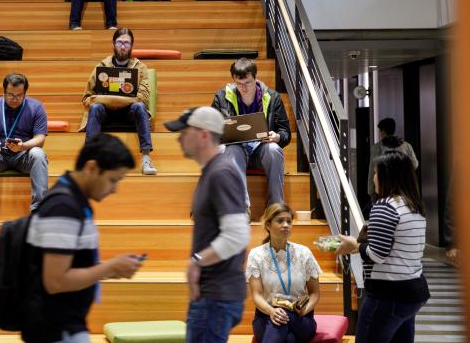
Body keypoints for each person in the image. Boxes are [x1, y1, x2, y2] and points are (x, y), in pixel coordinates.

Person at [23, 133, 143, 343]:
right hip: (55, 329)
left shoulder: (75, 201)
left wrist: (109, 270)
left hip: (65, 325)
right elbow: (56, 281)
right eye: (113, 180)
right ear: (91, 168)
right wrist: (110, 268)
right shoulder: (63, 207)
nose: (115, 189)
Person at [165, 107, 250, 343]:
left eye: (184, 132)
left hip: (214, 298)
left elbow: (238, 235)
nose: (179, 137)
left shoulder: (221, 173)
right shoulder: (214, 171)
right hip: (215, 294)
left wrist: (197, 262)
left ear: (203, 135)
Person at [336, 151, 429, 343]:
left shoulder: (384, 207)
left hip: (388, 295)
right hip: (412, 290)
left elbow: (377, 255)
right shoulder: (414, 206)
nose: (374, 178)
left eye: (377, 173)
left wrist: (355, 245)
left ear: (389, 176)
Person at [0, 73, 49, 224]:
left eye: (19, 96)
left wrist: (23, 146)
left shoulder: (36, 107)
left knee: (38, 153)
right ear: (4, 91)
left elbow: (40, 139)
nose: (14, 99)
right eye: (10, 95)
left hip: (23, 156)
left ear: (25, 93)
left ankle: (39, 209)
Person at [212, 57, 290, 208]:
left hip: (262, 151)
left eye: (247, 82)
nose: (244, 88)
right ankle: (242, 207)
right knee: (231, 150)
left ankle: (276, 208)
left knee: (274, 150)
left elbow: (285, 132)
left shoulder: (272, 97)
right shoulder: (222, 97)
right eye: (239, 84)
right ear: (233, 80)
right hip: (236, 152)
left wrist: (277, 136)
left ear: (255, 78)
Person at [79, 28, 156, 175]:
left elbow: (143, 98)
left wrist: (107, 98)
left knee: (140, 107)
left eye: (126, 43)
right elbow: (87, 98)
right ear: (113, 44)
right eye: (119, 42)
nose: (122, 46)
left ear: (132, 45)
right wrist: (113, 100)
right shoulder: (101, 66)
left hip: (130, 113)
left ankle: (146, 158)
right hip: (106, 113)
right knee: (95, 109)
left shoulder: (140, 67)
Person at [246, 203, 321, 343]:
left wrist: (304, 310)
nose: (286, 225)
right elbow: (256, 295)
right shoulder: (256, 255)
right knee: (289, 339)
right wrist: (271, 311)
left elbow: (315, 293)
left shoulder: (304, 253)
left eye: (289, 221)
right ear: (268, 225)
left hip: (301, 317)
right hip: (266, 316)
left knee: (284, 317)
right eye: (280, 221)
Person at [368, 117, 419, 198]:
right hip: (404, 187)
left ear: (383, 131)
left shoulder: (377, 148)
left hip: (385, 188)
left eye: (380, 131)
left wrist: (371, 191)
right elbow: (415, 164)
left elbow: (372, 170)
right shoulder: (407, 146)